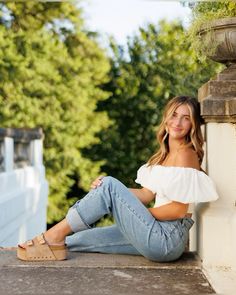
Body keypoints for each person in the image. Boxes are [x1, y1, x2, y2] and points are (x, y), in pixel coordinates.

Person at [17, 95, 219, 262]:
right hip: (154, 231)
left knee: (110, 185)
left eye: (186, 117)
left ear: (193, 124)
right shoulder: (163, 156)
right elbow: (146, 194)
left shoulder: (186, 154)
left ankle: (51, 235)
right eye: (174, 115)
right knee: (79, 240)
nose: (178, 122)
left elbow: (178, 209)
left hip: (166, 239)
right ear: (166, 118)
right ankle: (51, 244)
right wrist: (115, 197)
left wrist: (135, 215)